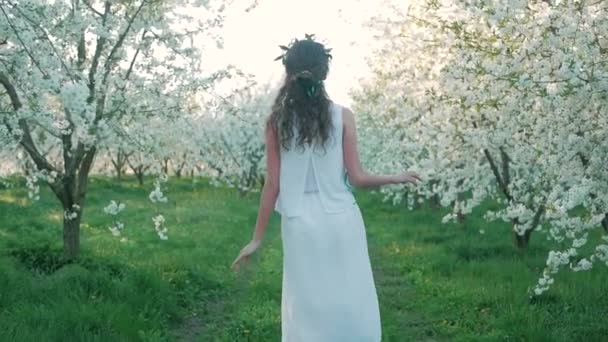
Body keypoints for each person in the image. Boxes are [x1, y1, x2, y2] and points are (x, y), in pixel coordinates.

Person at [231, 35, 421, 342]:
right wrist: (396, 176)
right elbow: (358, 177)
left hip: (298, 223)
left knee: (306, 307)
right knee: (351, 299)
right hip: (342, 219)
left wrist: (256, 239)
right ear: (324, 72)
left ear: (288, 71)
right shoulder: (343, 115)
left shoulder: (276, 121)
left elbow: (273, 185)